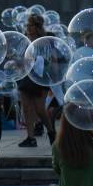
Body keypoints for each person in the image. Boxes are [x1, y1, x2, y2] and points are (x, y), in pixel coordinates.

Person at [17, 15, 55, 147]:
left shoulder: (45, 41)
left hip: (40, 76)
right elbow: (20, 57)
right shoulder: (24, 40)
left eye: (30, 25)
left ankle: (51, 132)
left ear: (37, 27)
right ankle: (30, 137)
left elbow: (52, 59)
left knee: (39, 109)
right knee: (26, 108)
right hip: (26, 76)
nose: (27, 28)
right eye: (27, 25)